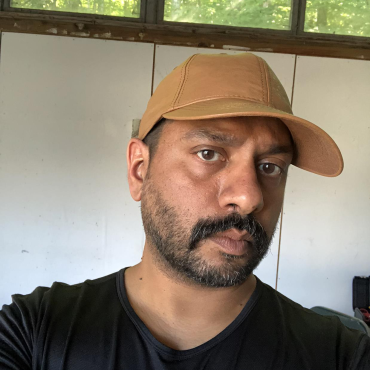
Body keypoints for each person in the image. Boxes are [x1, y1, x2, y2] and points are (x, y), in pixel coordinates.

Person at [0, 53, 369, 369]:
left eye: (270, 166)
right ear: (139, 170)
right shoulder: (33, 332)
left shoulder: (340, 355)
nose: (248, 198)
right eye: (209, 153)